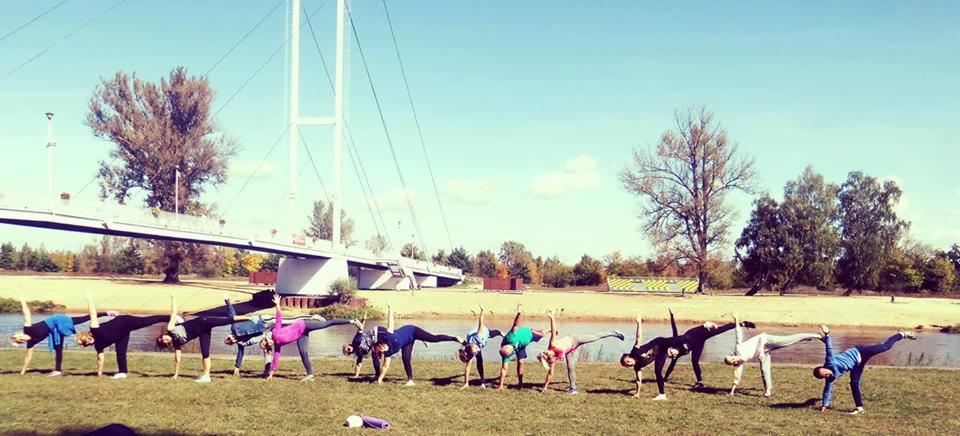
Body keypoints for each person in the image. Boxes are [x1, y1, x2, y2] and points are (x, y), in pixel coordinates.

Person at [632, 312, 754, 400]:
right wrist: (665, 378)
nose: (672, 354)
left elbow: (676, 330)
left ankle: (741, 324)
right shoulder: (676, 357)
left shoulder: (678, 341)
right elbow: (670, 367)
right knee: (695, 361)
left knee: (720, 330)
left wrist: (673, 317)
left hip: (699, 334)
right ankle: (700, 382)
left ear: (672, 348)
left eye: (671, 352)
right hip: (698, 345)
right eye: (670, 355)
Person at [814, 325, 917, 414]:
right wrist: (825, 404)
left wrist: (827, 336)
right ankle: (859, 409)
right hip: (856, 365)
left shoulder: (829, 362)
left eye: (824, 372)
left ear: (824, 368)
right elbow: (827, 390)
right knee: (854, 383)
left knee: (885, 347)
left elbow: (829, 349)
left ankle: (901, 334)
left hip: (860, 352)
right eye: (824, 376)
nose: (826, 375)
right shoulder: (830, 378)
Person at [155, 294, 253, 383]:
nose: (164, 339)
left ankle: (251, 318)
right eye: (163, 342)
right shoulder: (177, 343)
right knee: (205, 353)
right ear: (166, 344)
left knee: (226, 320)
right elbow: (177, 359)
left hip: (203, 322)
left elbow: (173, 313)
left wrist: (173, 298)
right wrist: (175, 375)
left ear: (163, 335)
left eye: (162, 338)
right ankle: (207, 376)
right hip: (203, 333)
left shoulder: (170, 328)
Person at [262, 294, 361, 381]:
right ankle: (310, 375)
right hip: (301, 335)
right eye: (267, 345)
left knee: (327, 323)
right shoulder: (278, 345)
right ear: (269, 347)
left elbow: (279, 319)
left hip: (303, 325)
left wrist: (278, 304)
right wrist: (271, 374)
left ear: (267, 338)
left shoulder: (275, 333)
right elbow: (275, 359)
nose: (268, 343)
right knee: (303, 352)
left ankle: (352, 321)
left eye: (266, 341)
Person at [9, 296, 114, 376]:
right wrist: (22, 372)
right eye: (17, 339)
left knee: (83, 319)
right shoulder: (31, 342)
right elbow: (28, 357)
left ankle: (107, 314)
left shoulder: (27, 329)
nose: (19, 337)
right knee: (58, 349)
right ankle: (58, 370)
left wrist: (22, 300)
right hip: (55, 331)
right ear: (19, 341)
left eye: (17, 335)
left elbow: (27, 314)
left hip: (58, 320)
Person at [722, 312, 821, 397]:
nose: (735, 360)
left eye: (732, 359)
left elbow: (738, 332)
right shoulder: (739, 363)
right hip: (763, 353)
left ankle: (817, 336)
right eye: (733, 362)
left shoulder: (739, 348)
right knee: (764, 370)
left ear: (732, 355)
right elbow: (737, 376)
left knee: (790, 340)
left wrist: (736, 318)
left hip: (766, 341)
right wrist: (732, 391)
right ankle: (767, 391)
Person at [75, 294, 168, 379]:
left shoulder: (94, 329)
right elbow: (100, 358)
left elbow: (92, 313)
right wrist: (99, 373)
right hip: (121, 335)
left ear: (87, 335)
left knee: (146, 322)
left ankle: (169, 318)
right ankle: (122, 372)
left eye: (86, 340)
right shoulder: (98, 346)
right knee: (120, 352)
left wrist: (89, 299)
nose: (88, 342)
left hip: (125, 321)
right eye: (86, 343)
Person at [371, 303, 464, 385]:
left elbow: (390, 322)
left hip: (412, 330)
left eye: (380, 348)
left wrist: (390, 309)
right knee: (406, 360)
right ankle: (410, 381)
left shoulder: (388, 336)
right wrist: (380, 380)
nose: (382, 350)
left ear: (381, 345)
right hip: (407, 342)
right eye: (380, 351)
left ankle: (454, 338)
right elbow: (385, 366)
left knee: (433, 338)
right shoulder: (388, 353)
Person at [223, 294, 313, 377]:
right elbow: (240, 354)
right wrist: (237, 368)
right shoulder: (241, 342)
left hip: (264, 321)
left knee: (286, 320)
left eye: (228, 339)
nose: (231, 340)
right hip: (264, 332)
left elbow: (232, 314)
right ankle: (267, 370)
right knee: (267, 347)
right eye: (231, 342)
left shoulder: (234, 328)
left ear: (228, 335)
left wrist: (227, 301)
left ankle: (310, 318)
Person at [537, 309, 624, 394]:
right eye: (545, 354)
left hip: (575, 339)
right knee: (570, 368)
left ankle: (614, 333)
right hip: (570, 350)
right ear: (549, 359)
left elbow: (553, 331)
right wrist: (545, 387)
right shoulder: (553, 361)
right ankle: (573, 388)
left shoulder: (552, 345)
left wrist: (552, 318)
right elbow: (550, 374)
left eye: (544, 352)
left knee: (595, 337)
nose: (545, 352)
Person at [619, 312, 680, 398]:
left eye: (628, 361)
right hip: (660, 354)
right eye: (628, 365)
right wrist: (637, 393)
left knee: (679, 340)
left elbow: (638, 337)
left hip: (659, 343)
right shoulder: (637, 366)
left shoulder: (635, 352)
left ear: (629, 357)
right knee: (658, 372)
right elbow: (638, 380)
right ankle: (662, 395)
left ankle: (701, 330)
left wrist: (639, 323)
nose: (630, 363)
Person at [496, 304, 546, 391]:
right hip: (521, 346)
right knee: (521, 362)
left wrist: (519, 313)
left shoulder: (509, 337)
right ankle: (520, 383)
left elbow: (515, 325)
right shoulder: (506, 354)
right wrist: (500, 386)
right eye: (510, 353)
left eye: (510, 351)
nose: (511, 353)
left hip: (529, 334)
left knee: (542, 334)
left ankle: (549, 329)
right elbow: (504, 368)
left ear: (507, 346)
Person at [458, 304, 503, 389]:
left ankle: (502, 334)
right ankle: (481, 382)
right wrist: (466, 383)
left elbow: (481, 322)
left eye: (476, 351)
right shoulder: (470, 349)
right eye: (475, 352)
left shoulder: (479, 334)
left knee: (496, 333)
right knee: (479, 361)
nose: (477, 352)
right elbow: (467, 368)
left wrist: (482, 310)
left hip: (485, 333)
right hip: (473, 342)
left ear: (474, 347)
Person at [341, 313, 388, 378]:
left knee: (382, 350)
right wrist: (356, 375)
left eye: (348, 349)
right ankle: (378, 375)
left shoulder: (356, 342)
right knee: (375, 354)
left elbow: (360, 329)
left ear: (350, 345)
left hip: (378, 332)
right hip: (376, 338)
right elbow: (358, 364)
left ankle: (378, 375)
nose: (350, 351)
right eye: (349, 352)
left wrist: (363, 320)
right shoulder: (359, 352)